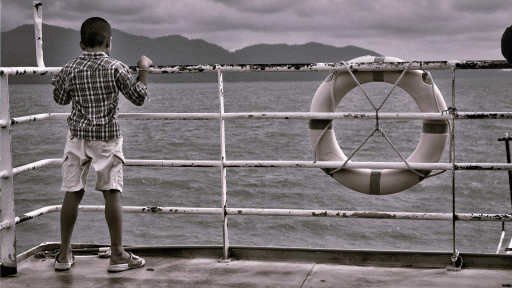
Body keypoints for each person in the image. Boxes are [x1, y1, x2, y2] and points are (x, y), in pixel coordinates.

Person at [52, 17, 152, 272]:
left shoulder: (70, 68)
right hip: (107, 138)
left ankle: (64, 255)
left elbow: (60, 99)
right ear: (109, 43)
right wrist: (143, 69)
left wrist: (60, 83)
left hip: (76, 138)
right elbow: (138, 97)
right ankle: (117, 254)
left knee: (72, 192)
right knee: (111, 191)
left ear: (81, 43)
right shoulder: (116, 67)